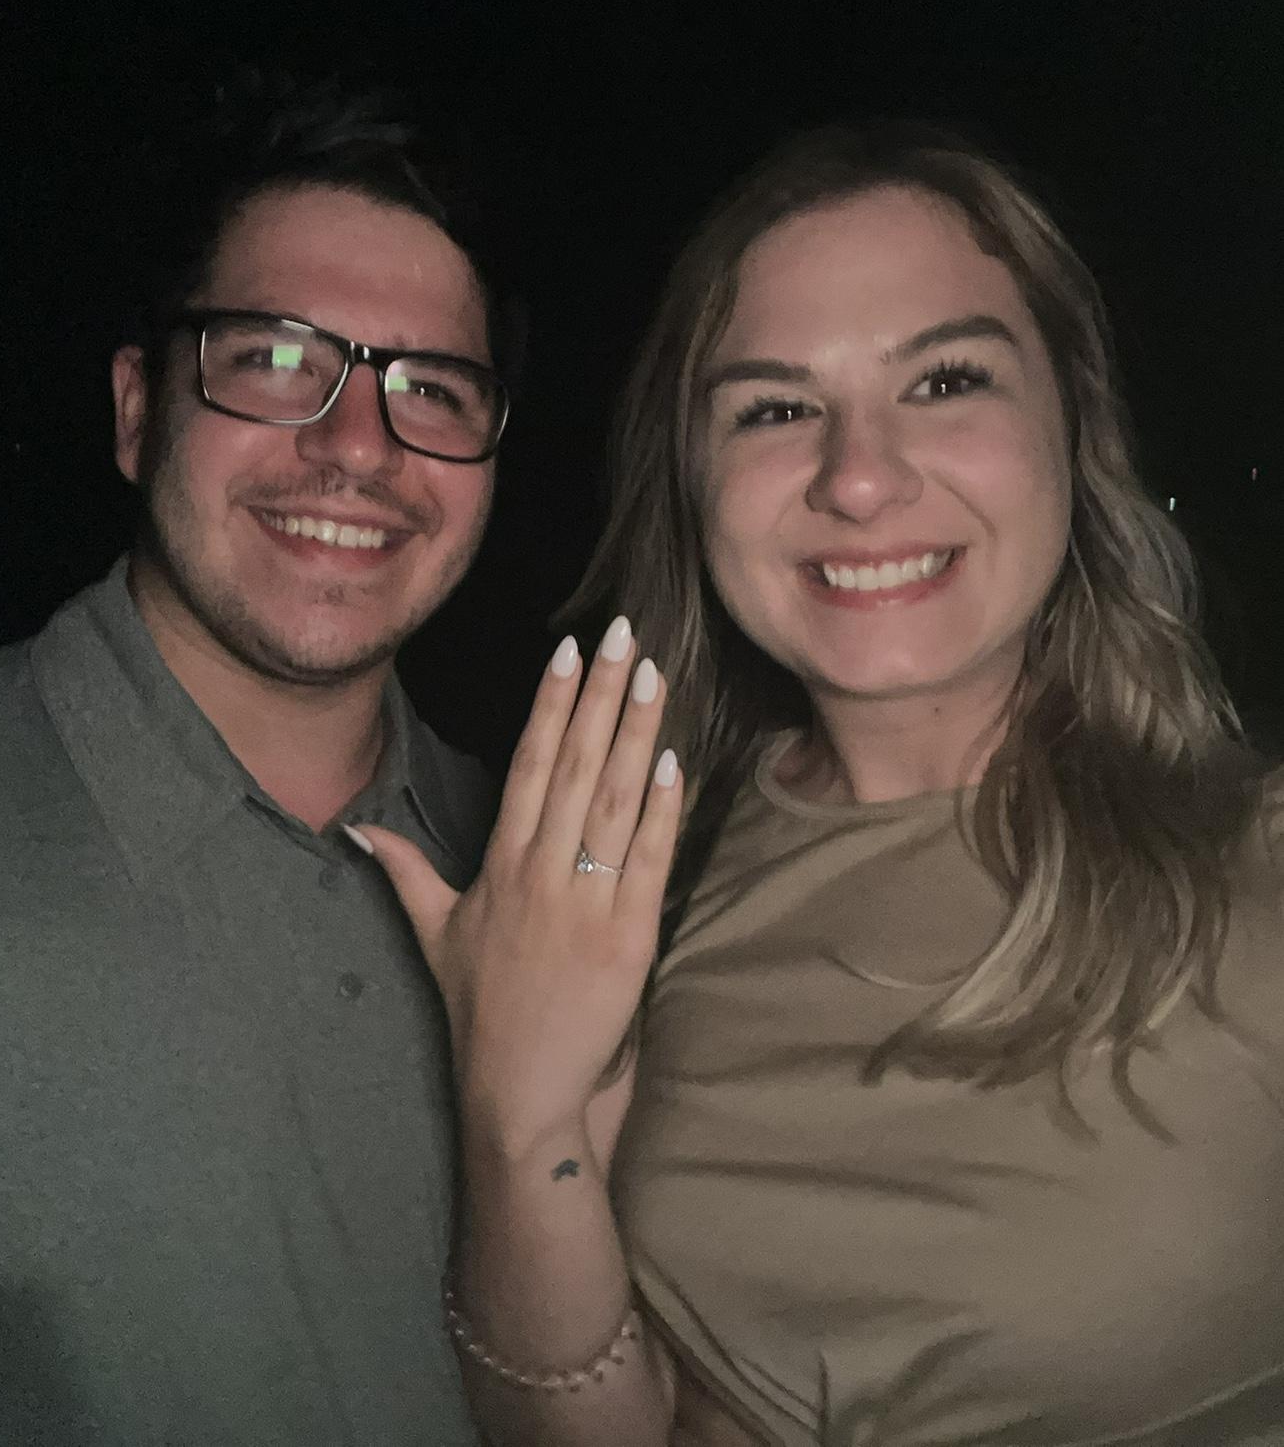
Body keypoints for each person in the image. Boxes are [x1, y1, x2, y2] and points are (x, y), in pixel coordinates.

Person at [355, 122, 1284, 1445]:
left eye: (947, 380)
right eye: (778, 409)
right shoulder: (639, 885)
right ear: (695, 479)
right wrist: (521, 1122)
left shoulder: (1257, 868)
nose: (858, 478)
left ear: (1071, 428)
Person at [0, 76, 514, 1445]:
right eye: (274, 357)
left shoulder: (530, 861)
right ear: (137, 410)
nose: (358, 446)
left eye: (433, 387)